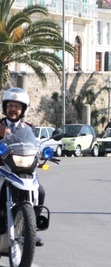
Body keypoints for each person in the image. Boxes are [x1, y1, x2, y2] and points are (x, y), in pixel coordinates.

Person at [0, 87, 44, 247]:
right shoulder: (0, 125)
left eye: (17, 106)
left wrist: (43, 152)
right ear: (5, 107)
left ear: (23, 109)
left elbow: (34, 144)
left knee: (40, 191)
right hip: (4, 168)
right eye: (10, 105)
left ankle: (31, 230)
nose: (13, 109)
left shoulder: (28, 128)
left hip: (23, 168)